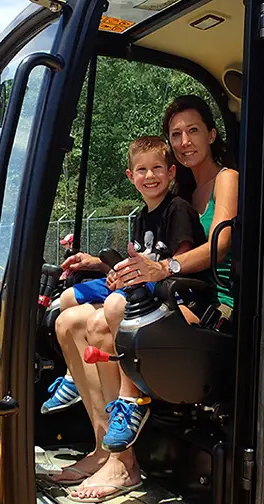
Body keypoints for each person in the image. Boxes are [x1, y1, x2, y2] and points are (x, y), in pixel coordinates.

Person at [59, 96, 239, 503]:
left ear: (211, 134)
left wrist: (165, 269)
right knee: (68, 322)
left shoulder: (226, 178)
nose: (185, 140)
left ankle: (125, 463)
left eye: (193, 130)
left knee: (106, 320)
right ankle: (103, 449)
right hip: (171, 295)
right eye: (176, 134)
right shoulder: (181, 190)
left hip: (213, 307)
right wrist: (100, 263)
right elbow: (152, 251)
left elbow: (221, 245)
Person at [48, 136, 206, 494]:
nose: (150, 176)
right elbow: (139, 264)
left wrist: (133, 279)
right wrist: (114, 272)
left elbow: (174, 267)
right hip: (143, 292)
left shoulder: (178, 209)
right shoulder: (142, 217)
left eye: (156, 169)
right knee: (66, 317)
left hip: (175, 300)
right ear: (130, 175)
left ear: (170, 172)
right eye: (142, 170)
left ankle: (129, 412)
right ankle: (102, 448)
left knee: (109, 312)